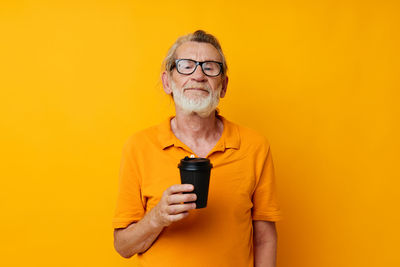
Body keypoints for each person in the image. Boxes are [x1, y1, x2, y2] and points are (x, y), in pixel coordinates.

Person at [112, 30, 282, 267]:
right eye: (186, 66)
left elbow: (264, 238)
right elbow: (123, 246)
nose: (198, 75)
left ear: (223, 86)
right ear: (167, 82)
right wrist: (157, 217)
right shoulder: (139, 146)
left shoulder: (255, 147)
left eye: (210, 67)